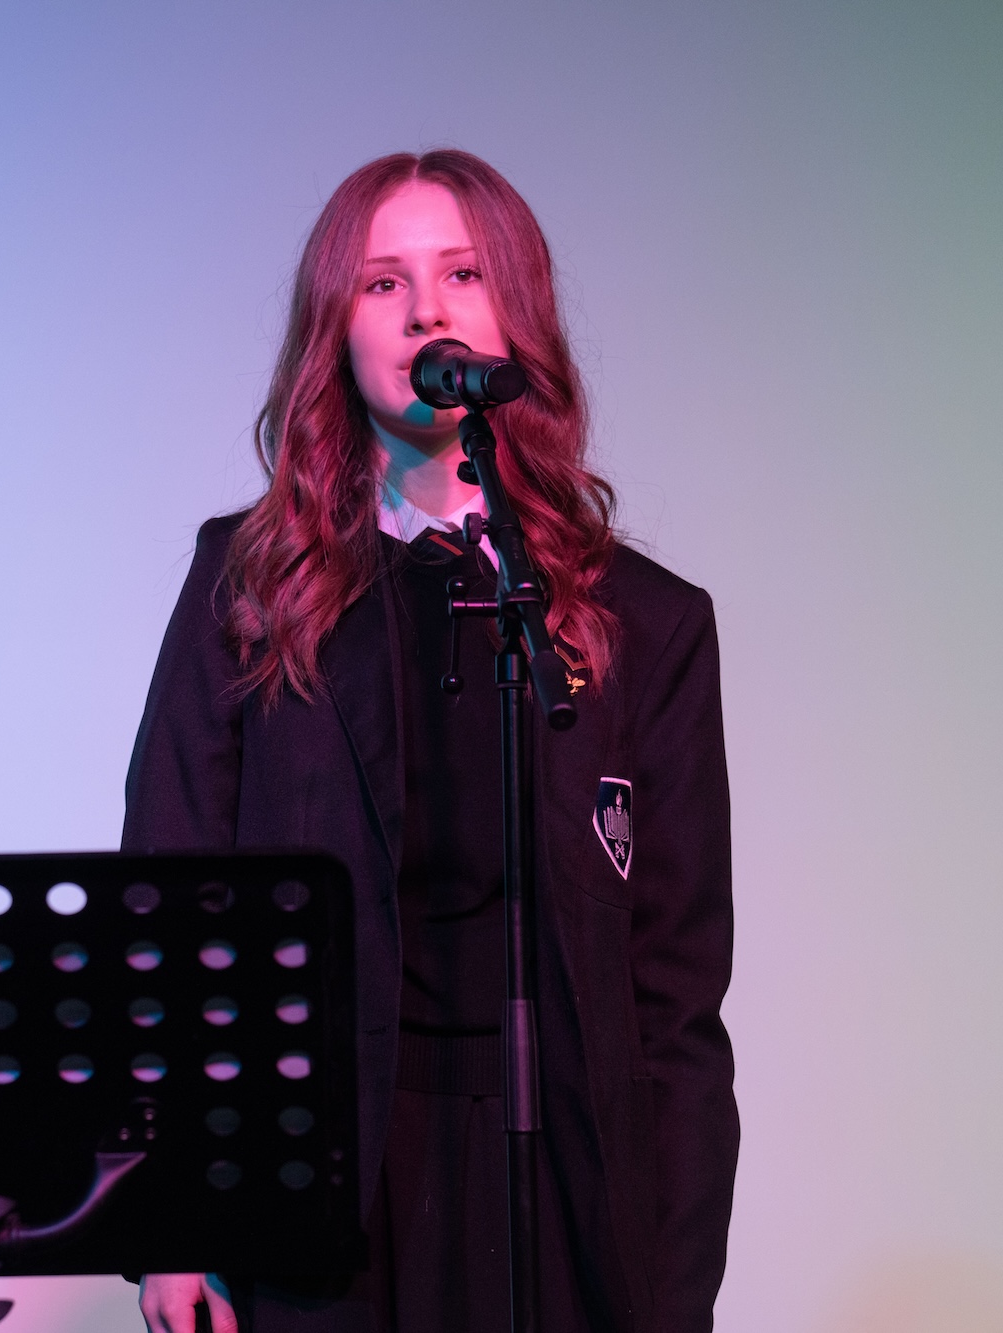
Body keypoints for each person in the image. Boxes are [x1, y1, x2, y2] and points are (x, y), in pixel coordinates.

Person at [123, 150, 735, 1332]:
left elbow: (674, 1003)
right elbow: (168, 910)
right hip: (316, 1186)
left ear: (513, 313)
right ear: (334, 329)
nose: (424, 311)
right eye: (380, 282)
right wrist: (173, 1217)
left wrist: (672, 1291)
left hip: (559, 1182)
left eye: (461, 273)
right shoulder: (248, 589)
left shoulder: (646, 622)